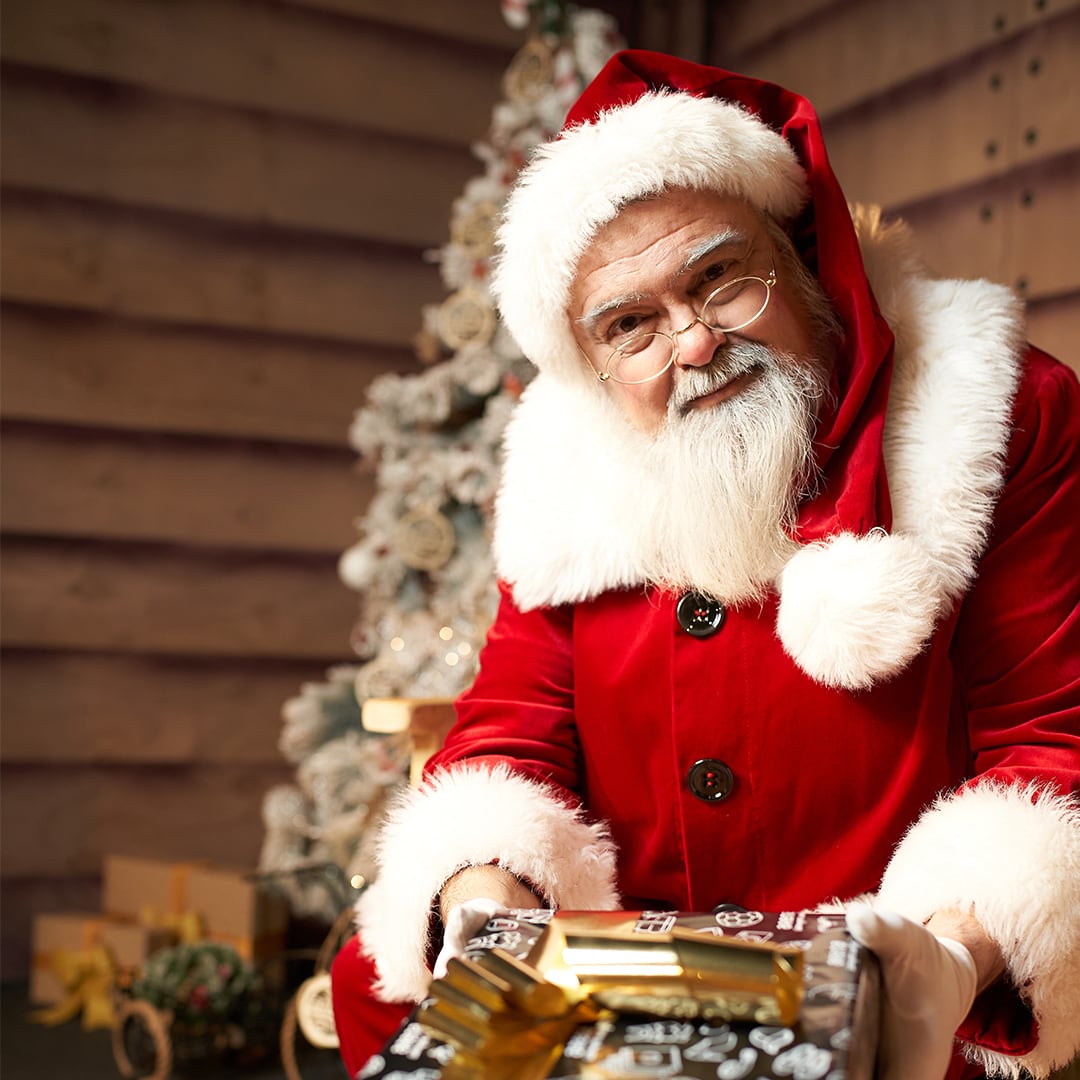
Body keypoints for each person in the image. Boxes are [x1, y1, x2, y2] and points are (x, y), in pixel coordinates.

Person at [332, 50, 1080, 1080]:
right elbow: (513, 727)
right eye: (630, 324)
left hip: (887, 973)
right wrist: (481, 893)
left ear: (803, 257)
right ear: (593, 368)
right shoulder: (570, 470)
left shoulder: (1000, 410)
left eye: (721, 277)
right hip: (632, 978)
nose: (692, 343)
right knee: (381, 988)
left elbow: (1052, 737)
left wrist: (954, 956)